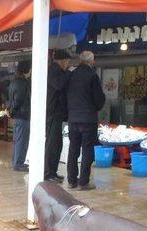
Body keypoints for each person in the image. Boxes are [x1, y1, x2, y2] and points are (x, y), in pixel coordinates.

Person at [66, 51, 105, 191]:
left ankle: (71, 180)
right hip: (88, 119)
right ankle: (83, 182)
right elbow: (99, 99)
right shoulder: (92, 76)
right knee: (87, 150)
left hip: (73, 118)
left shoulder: (71, 75)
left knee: (73, 149)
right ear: (92, 61)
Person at [44, 49, 72, 183]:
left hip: (57, 113)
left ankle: (53, 172)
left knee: (57, 144)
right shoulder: (53, 70)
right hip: (53, 112)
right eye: (67, 61)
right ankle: (48, 174)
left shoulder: (57, 71)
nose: (68, 64)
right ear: (62, 60)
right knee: (52, 144)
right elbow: (59, 85)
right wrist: (68, 73)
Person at [9, 61, 32, 172]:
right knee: (22, 140)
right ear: (27, 70)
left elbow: (12, 99)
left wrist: (11, 111)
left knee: (17, 139)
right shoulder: (23, 83)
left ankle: (15, 161)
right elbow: (18, 100)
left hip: (17, 115)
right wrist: (13, 111)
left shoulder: (14, 82)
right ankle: (18, 163)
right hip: (23, 115)